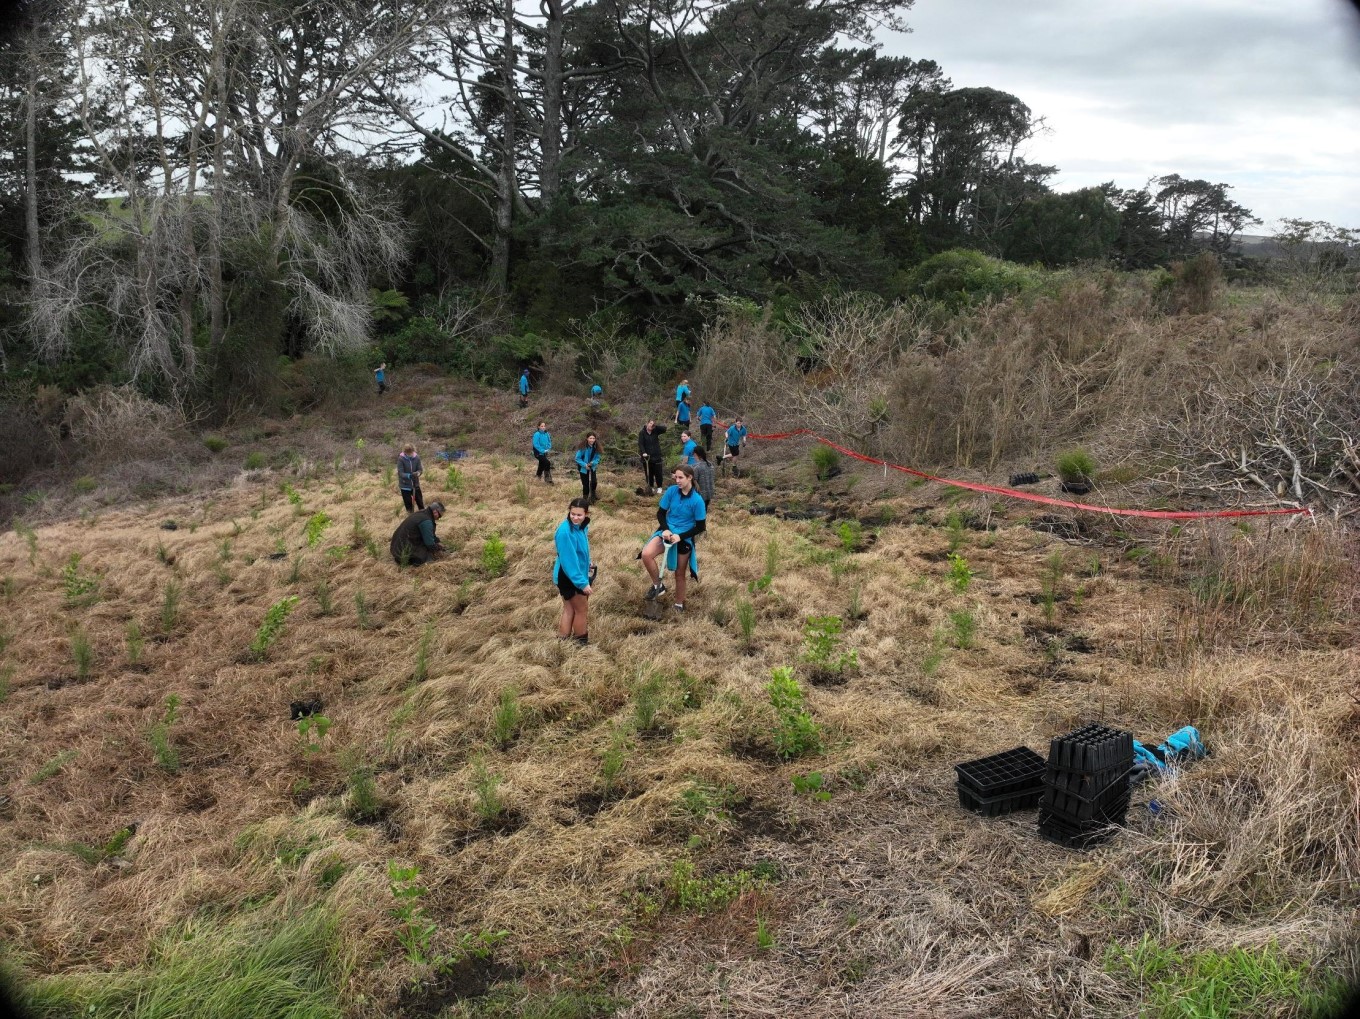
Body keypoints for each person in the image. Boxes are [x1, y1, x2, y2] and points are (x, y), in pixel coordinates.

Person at [641, 464, 706, 612]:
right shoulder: (671, 491)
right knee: (646, 554)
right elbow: (661, 513)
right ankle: (658, 585)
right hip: (667, 531)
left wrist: (680, 536)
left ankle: (679, 604)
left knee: (679, 573)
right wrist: (665, 529)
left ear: (689, 478)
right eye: (675, 477)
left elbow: (700, 527)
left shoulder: (697, 500)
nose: (677, 480)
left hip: (684, 536)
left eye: (680, 477)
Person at [553, 498, 595, 646]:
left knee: (570, 609)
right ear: (569, 512)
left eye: (579, 515)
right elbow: (568, 561)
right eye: (573, 514)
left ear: (586, 514)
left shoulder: (581, 527)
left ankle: (562, 643)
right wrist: (582, 583)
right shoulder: (565, 532)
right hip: (568, 576)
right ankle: (581, 645)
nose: (575, 518)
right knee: (581, 610)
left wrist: (587, 563)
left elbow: (579, 551)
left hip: (571, 574)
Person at [389, 501, 445, 566]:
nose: (439, 518)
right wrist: (438, 549)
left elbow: (430, 535)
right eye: (439, 516)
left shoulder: (421, 513)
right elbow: (429, 544)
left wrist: (437, 541)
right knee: (428, 556)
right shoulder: (426, 521)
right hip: (402, 554)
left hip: (396, 548)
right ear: (435, 512)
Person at [637, 418, 667, 494]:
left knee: (658, 473)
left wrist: (655, 426)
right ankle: (651, 487)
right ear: (647, 423)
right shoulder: (642, 433)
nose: (651, 425)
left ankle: (659, 487)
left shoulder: (655, 431)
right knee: (649, 473)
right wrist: (643, 452)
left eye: (652, 424)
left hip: (656, 456)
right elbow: (640, 444)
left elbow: (664, 429)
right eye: (650, 423)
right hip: (647, 457)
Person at [574, 431, 601, 503]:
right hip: (583, 468)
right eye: (590, 438)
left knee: (594, 482)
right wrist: (585, 465)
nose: (592, 440)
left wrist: (593, 463)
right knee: (585, 484)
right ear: (587, 438)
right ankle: (585, 499)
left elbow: (598, 458)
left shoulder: (596, 447)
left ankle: (593, 496)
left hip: (592, 467)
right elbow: (577, 458)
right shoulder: (583, 447)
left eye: (593, 438)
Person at [397, 444, 424, 512]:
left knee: (420, 502)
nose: (410, 454)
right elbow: (400, 473)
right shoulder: (401, 459)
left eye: (411, 453)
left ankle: (423, 514)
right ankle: (410, 515)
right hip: (405, 485)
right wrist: (409, 475)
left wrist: (418, 473)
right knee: (408, 504)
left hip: (415, 484)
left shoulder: (417, 458)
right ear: (405, 452)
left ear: (413, 451)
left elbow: (420, 469)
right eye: (408, 453)